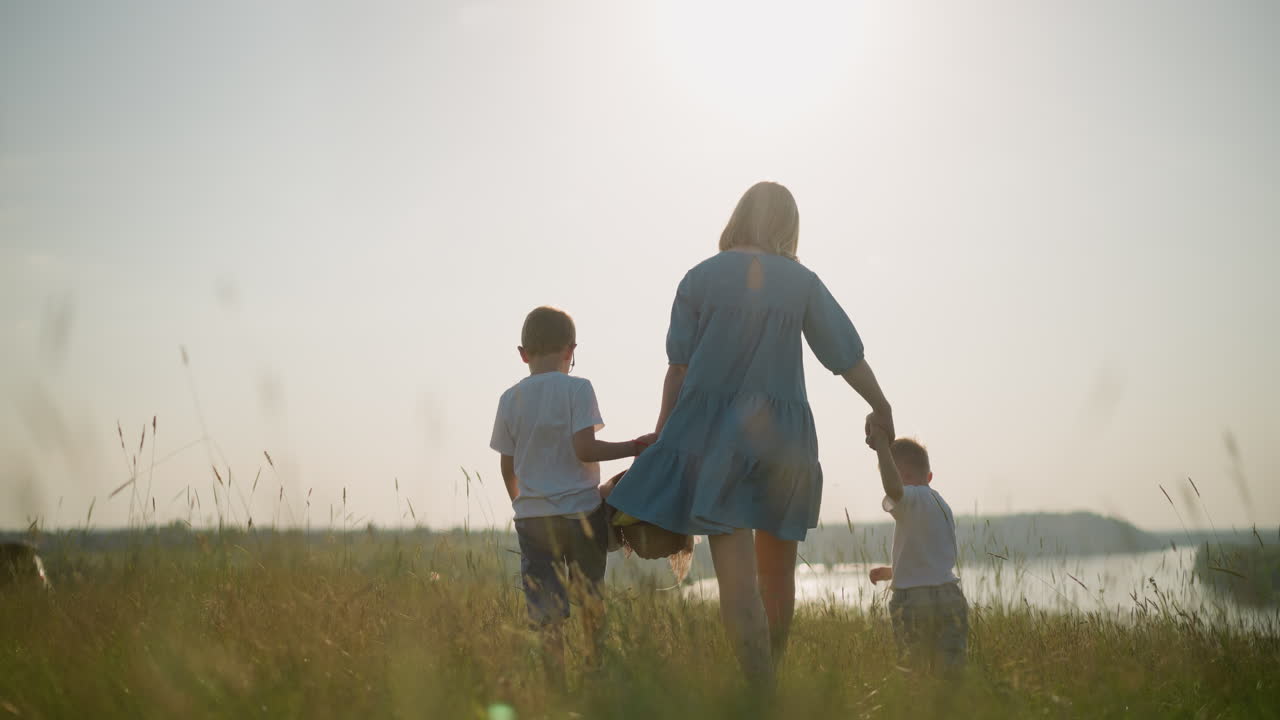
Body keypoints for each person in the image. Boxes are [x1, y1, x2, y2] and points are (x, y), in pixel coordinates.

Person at [606, 181, 894, 685]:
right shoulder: (800, 282)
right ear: (788, 226)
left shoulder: (699, 278)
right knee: (778, 578)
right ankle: (772, 688)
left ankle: (756, 690)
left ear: (738, 217)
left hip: (715, 442)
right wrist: (880, 403)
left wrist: (661, 436)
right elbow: (846, 354)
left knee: (737, 586)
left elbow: (677, 368)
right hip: (786, 442)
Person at [490, 306, 655, 682]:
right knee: (590, 600)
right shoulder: (578, 388)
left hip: (533, 520)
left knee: (546, 610)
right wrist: (634, 446)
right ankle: (595, 671)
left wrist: (522, 503)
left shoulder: (509, 399)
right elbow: (585, 449)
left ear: (523, 353)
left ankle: (555, 683)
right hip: (582, 514)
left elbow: (507, 467)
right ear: (571, 350)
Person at [866, 431, 968, 672]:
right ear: (929, 476)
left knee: (914, 668)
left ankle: (919, 707)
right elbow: (929, 559)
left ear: (895, 477)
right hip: (950, 596)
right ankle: (950, 707)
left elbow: (894, 490)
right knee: (950, 670)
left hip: (914, 599)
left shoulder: (907, 496)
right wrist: (892, 571)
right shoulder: (941, 504)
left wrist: (882, 447)